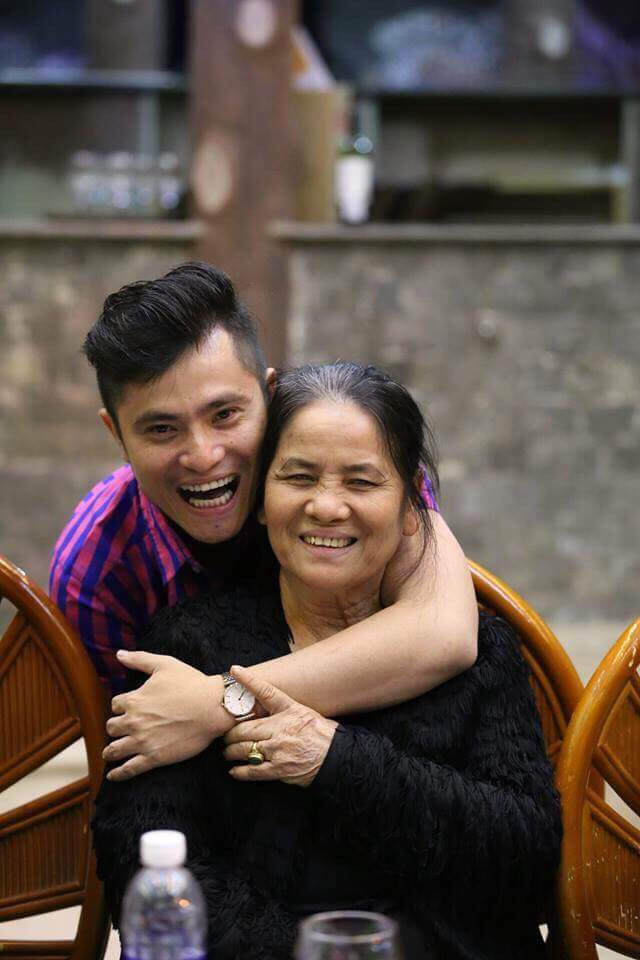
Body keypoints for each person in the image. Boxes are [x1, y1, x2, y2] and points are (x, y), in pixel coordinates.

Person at [93, 361, 562, 960]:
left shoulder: (480, 655)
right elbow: (141, 865)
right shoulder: (188, 649)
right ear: (261, 501)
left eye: (362, 483)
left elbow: (526, 860)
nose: (327, 507)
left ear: (412, 505)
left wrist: (336, 759)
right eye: (299, 477)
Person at [49, 262, 478, 782]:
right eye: (161, 429)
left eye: (225, 415)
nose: (204, 456)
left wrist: (217, 701)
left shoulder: (357, 478)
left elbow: (444, 633)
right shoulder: (96, 569)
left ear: (270, 396)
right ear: (117, 435)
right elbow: (139, 742)